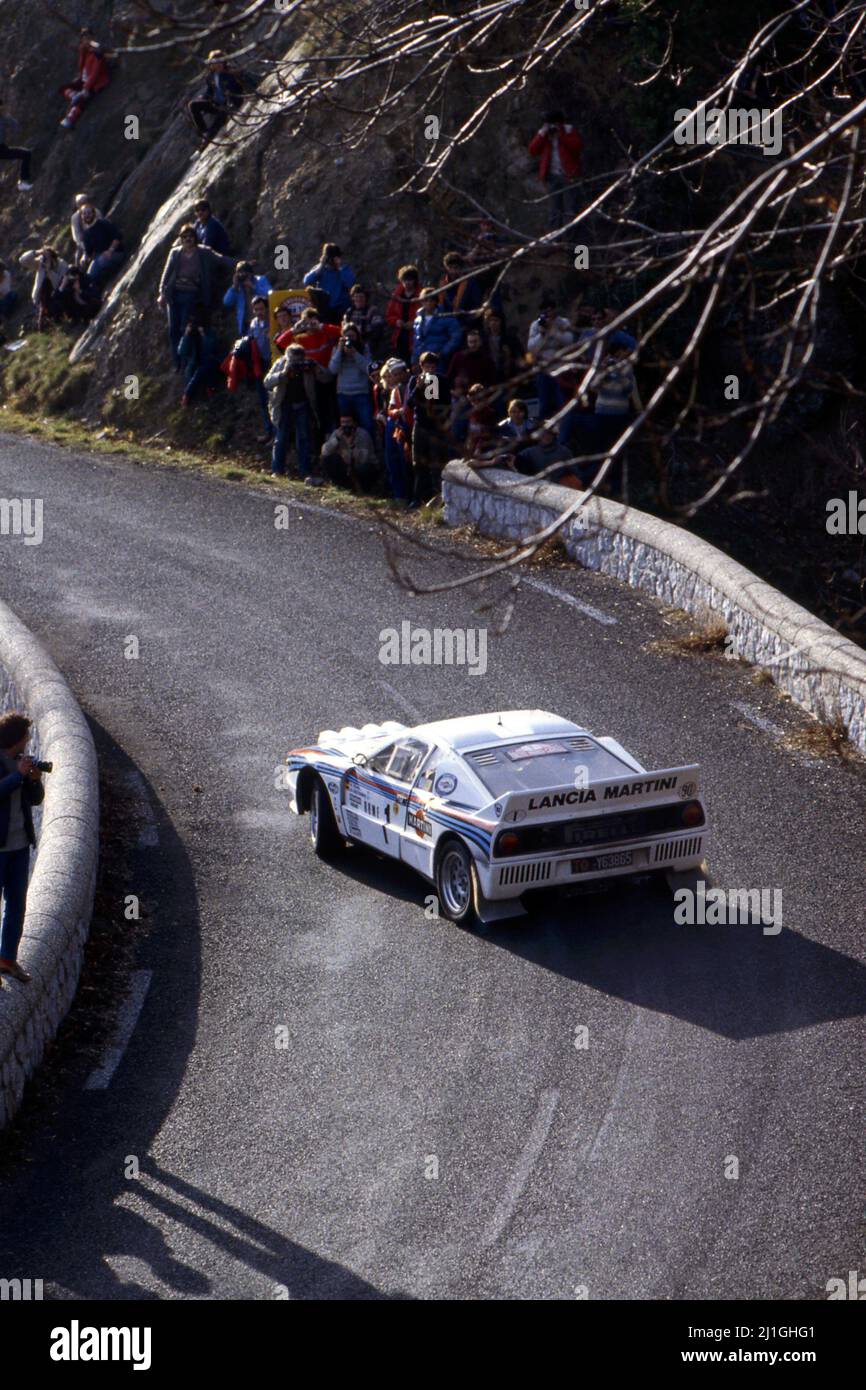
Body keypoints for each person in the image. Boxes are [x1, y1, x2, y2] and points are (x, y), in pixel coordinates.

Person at [0, 712, 45, 985]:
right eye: (26, 737)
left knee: (17, 905)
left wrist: (34, 779)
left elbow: (36, 800)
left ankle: (7, 960)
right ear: (16, 739)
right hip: (0, 848)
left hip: (20, 846)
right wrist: (17, 776)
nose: (28, 742)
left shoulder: (20, 763)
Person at [157, 224, 233, 367]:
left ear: (195, 238)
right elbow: (165, 275)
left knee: (185, 327)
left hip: (191, 294)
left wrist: (240, 264)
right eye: (184, 237)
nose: (187, 240)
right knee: (173, 330)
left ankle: (187, 361)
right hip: (173, 295)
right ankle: (177, 362)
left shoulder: (203, 252)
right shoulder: (175, 253)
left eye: (190, 236)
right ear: (181, 239)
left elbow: (221, 259)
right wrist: (161, 293)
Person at [264, 343, 320, 480]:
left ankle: (304, 471)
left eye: (298, 361)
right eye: (294, 361)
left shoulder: (307, 364)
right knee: (281, 438)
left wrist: (316, 368)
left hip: (302, 404)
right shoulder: (281, 363)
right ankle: (277, 470)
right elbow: (267, 382)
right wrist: (283, 374)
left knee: (303, 438)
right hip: (284, 405)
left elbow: (326, 377)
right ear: (288, 357)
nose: (296, 364)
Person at [406, 351, 451, 506]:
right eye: (427, 366)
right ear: (421, 366)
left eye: (432, 366)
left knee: (438, 463)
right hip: (421, 426)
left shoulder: (442, 381)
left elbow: (447, 404)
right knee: (418, 463)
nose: (430, 369)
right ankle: (418, 497)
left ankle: (439, 497)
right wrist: (419, 388)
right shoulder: (414, 380)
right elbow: (409, 404)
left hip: (436, 428)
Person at [528, 110, 583, 229]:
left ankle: (570, 240)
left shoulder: (568, 130)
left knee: (570, 209)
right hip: (552, 176)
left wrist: (561, 136)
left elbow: (577, 148)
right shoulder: (544, 133)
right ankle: (555, 241)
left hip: (569, 175)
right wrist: (542, 134)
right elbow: (533, 150)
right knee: (554, 210)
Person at [527, 296, 574, 419]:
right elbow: (531, 347)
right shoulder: (536, 325)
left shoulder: (563, 322)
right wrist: (542, 334)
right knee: (544, 404)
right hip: (543, 370)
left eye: (549, 311)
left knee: (561, 402)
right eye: (544, 311)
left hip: (560, 369)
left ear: (554, 310)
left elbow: (569, 340)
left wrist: (554, 332)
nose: (547, 314)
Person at [328, 323, 374, 436]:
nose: (350, 339)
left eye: (353, 336)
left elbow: (369, 368)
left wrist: (355, 354)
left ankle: (369, 449)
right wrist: (339, 350)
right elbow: (332, 369)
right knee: (345, 427)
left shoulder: (364, 348)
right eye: (347, 336)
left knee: (367, 424)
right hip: (343, 393)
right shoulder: (337, 349)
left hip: (361, 393)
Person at [189, 52, 245, 144]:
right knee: (193, 105)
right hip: (218, 103)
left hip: (231, 103)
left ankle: (206, 142)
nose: (218, 64)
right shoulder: (211, 76)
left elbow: (243, 81)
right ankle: (204, 131)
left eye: (220, 62)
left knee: (219, 120)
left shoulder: (231, 72)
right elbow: (210, 91)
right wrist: (204, 97)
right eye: (215, 62)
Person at [60, 31, 111, 131]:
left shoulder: (97, 53)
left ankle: (71, 118)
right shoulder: (85, 51)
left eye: (87, 38)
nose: (85, 41)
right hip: (84, 81)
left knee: (81, 101)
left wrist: (86, 88)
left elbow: (95, 73)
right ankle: (75, 96)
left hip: (95, 83)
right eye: (83, 39)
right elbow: (82, 67)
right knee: (64, 89)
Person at [380, 359, 412, 502]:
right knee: (393, 459)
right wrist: (397, 412)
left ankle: (411, 494)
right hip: (398, 425)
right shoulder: (396, 389)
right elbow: (390, 410)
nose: (396, 377)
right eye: (394, 374)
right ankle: (399, 494)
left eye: (398, 374)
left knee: (407, 462)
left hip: (411, 425)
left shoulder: (418, 382)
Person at [320, 415, 377, 493]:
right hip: (347, 466)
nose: (346, 425)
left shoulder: (363, 434)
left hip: (364, 467)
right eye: (343, 422)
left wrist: (350, 446)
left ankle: (365, 489)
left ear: (354, 423)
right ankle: (342, 486)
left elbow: (363, 459)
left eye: (348, 422)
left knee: (363, 468)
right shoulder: (337, 433)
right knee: (327, 459)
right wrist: (336, 440)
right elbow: (324, 451)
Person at [303, 243, 356, 324]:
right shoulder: (320, 270)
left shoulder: (344, 269)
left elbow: (350, 283)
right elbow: (307, 281)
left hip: (341, 308)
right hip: (324, 309)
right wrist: (321, 265)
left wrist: (339, 267)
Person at [19, 247, 69, 331]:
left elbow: (59, 285)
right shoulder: (40, 263)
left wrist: (49, 271)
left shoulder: (62, 265)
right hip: (41, 300)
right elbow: (23, 260)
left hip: (57, 297)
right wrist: (38, 252)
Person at [411, 288, 462, 369]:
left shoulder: (446, 317)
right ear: (422, 301)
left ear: (436, 301)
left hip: (439, 361)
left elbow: (456, 336)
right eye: (425, 300)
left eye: (431, 300)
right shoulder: (418, 319)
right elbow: (416, 341)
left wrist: (443, 352)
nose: (428, 303)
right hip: (422, 361)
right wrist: (414, 360)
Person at [179, 311, 221, 407]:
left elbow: (213, 347)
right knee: (197, 370)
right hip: (194, 365)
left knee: (204, 367)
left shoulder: (208, 332)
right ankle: (192, 393)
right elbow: (181, 351)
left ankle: (187, 394)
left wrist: (203, 335)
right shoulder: (189, 337)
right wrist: (186, 336)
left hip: (209, 363)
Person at [78, 204, 125, 288]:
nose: (87, 215)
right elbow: (88, 252)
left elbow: (117, 237)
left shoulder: (103, 223)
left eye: (89, 213)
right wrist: (84, 258)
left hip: (116, 253)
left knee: (100, 261)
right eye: (84, 213)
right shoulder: (86, 234)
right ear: (81, 216)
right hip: (99, 258)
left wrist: (110, 250)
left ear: (93, 214)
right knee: (89, 276)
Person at [222, 260, 272, 336]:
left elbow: (271, 294)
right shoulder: (238, 288)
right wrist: (234, 287)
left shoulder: (261, 280)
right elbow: (226, 302)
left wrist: (253, 287)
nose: (242, 275)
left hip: (262, 322)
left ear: (250, 273)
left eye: (245, 273)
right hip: (246, 325)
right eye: (240, 273)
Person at [385, 264, 422, 362]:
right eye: (405, 280)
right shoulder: (397, 295)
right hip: (399, 336)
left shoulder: (422, 295)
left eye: (410, 280)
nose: (407, 283)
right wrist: (397, 321)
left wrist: (414, 323)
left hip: (416, 336)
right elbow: (389, 315)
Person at [342, 284, 384, 356]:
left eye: (361, 297)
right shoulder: (349, 312)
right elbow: (344, 329)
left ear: (366, 298)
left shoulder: (373, 310)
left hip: (368, 343)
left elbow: (378, 330)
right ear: (353, 298)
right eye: (356, 297)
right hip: (352, 342)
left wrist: (367, 344)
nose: (359, 299)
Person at [0, 99, 33, 190]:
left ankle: (23, 182)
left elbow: (16, 126)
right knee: (26, 154)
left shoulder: (3, 118)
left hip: (2, 148)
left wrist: (7, 115)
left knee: (26, 153)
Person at [464, 384, 500, 459]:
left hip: (487, 446)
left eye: (479, 400)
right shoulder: (472, 413)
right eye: (473, 401)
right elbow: (470, 434)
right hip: (473, 446)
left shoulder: (490, 413)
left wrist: (478, 447)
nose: (475, 403)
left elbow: (489, 434)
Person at [70, 193, 103, 266]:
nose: (81, 205)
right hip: (83, 243)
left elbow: (100, 228)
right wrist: (85, 248)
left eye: (84, 202)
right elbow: (76, 236)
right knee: (78, 258)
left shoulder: (96, 212)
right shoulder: (75, 217)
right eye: (79, 203)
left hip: (97, 239)